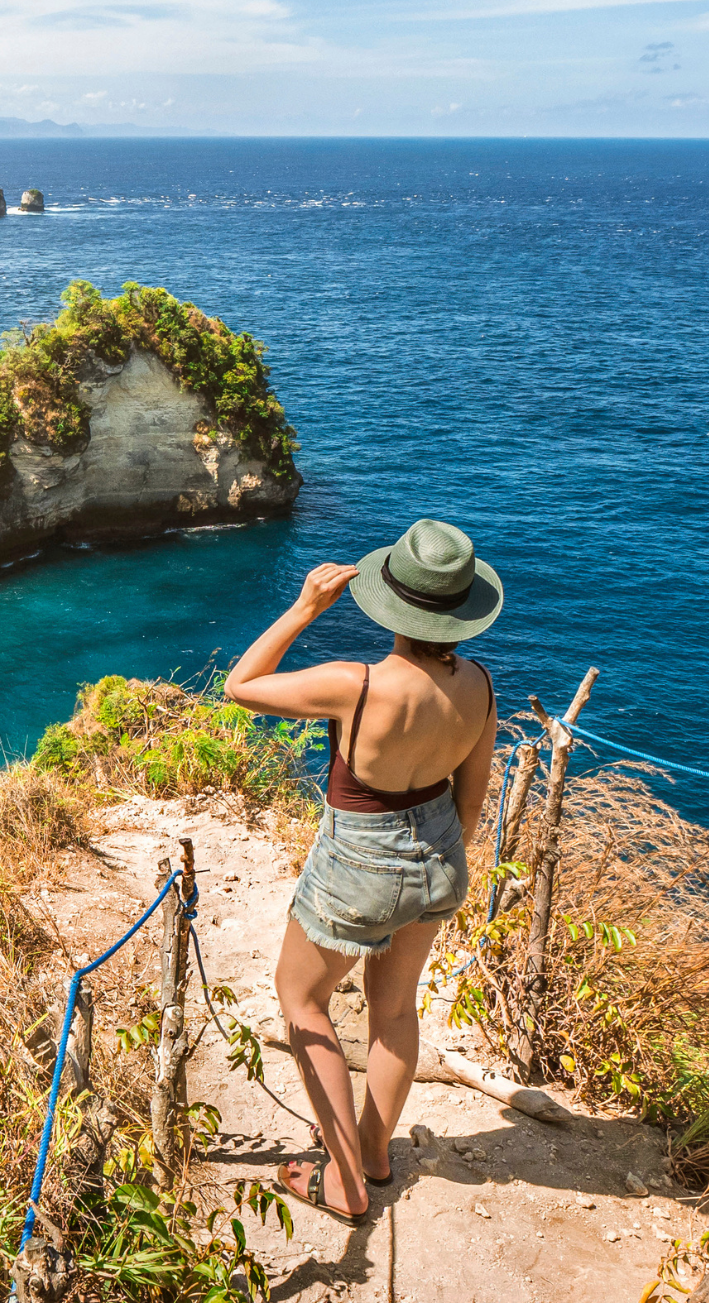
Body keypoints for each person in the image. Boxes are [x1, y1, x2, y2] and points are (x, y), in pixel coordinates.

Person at [223, 518, 504, 1222]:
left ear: (391, 602)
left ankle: (344, 1180)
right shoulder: (479, 685)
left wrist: (304, 608)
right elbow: (471, 802)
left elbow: (241, 684)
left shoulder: (357, 683)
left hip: (359, 858)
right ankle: (373, 1151)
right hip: (440, 852)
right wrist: (431, 866)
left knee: (300, 997)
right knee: (395, 1007)